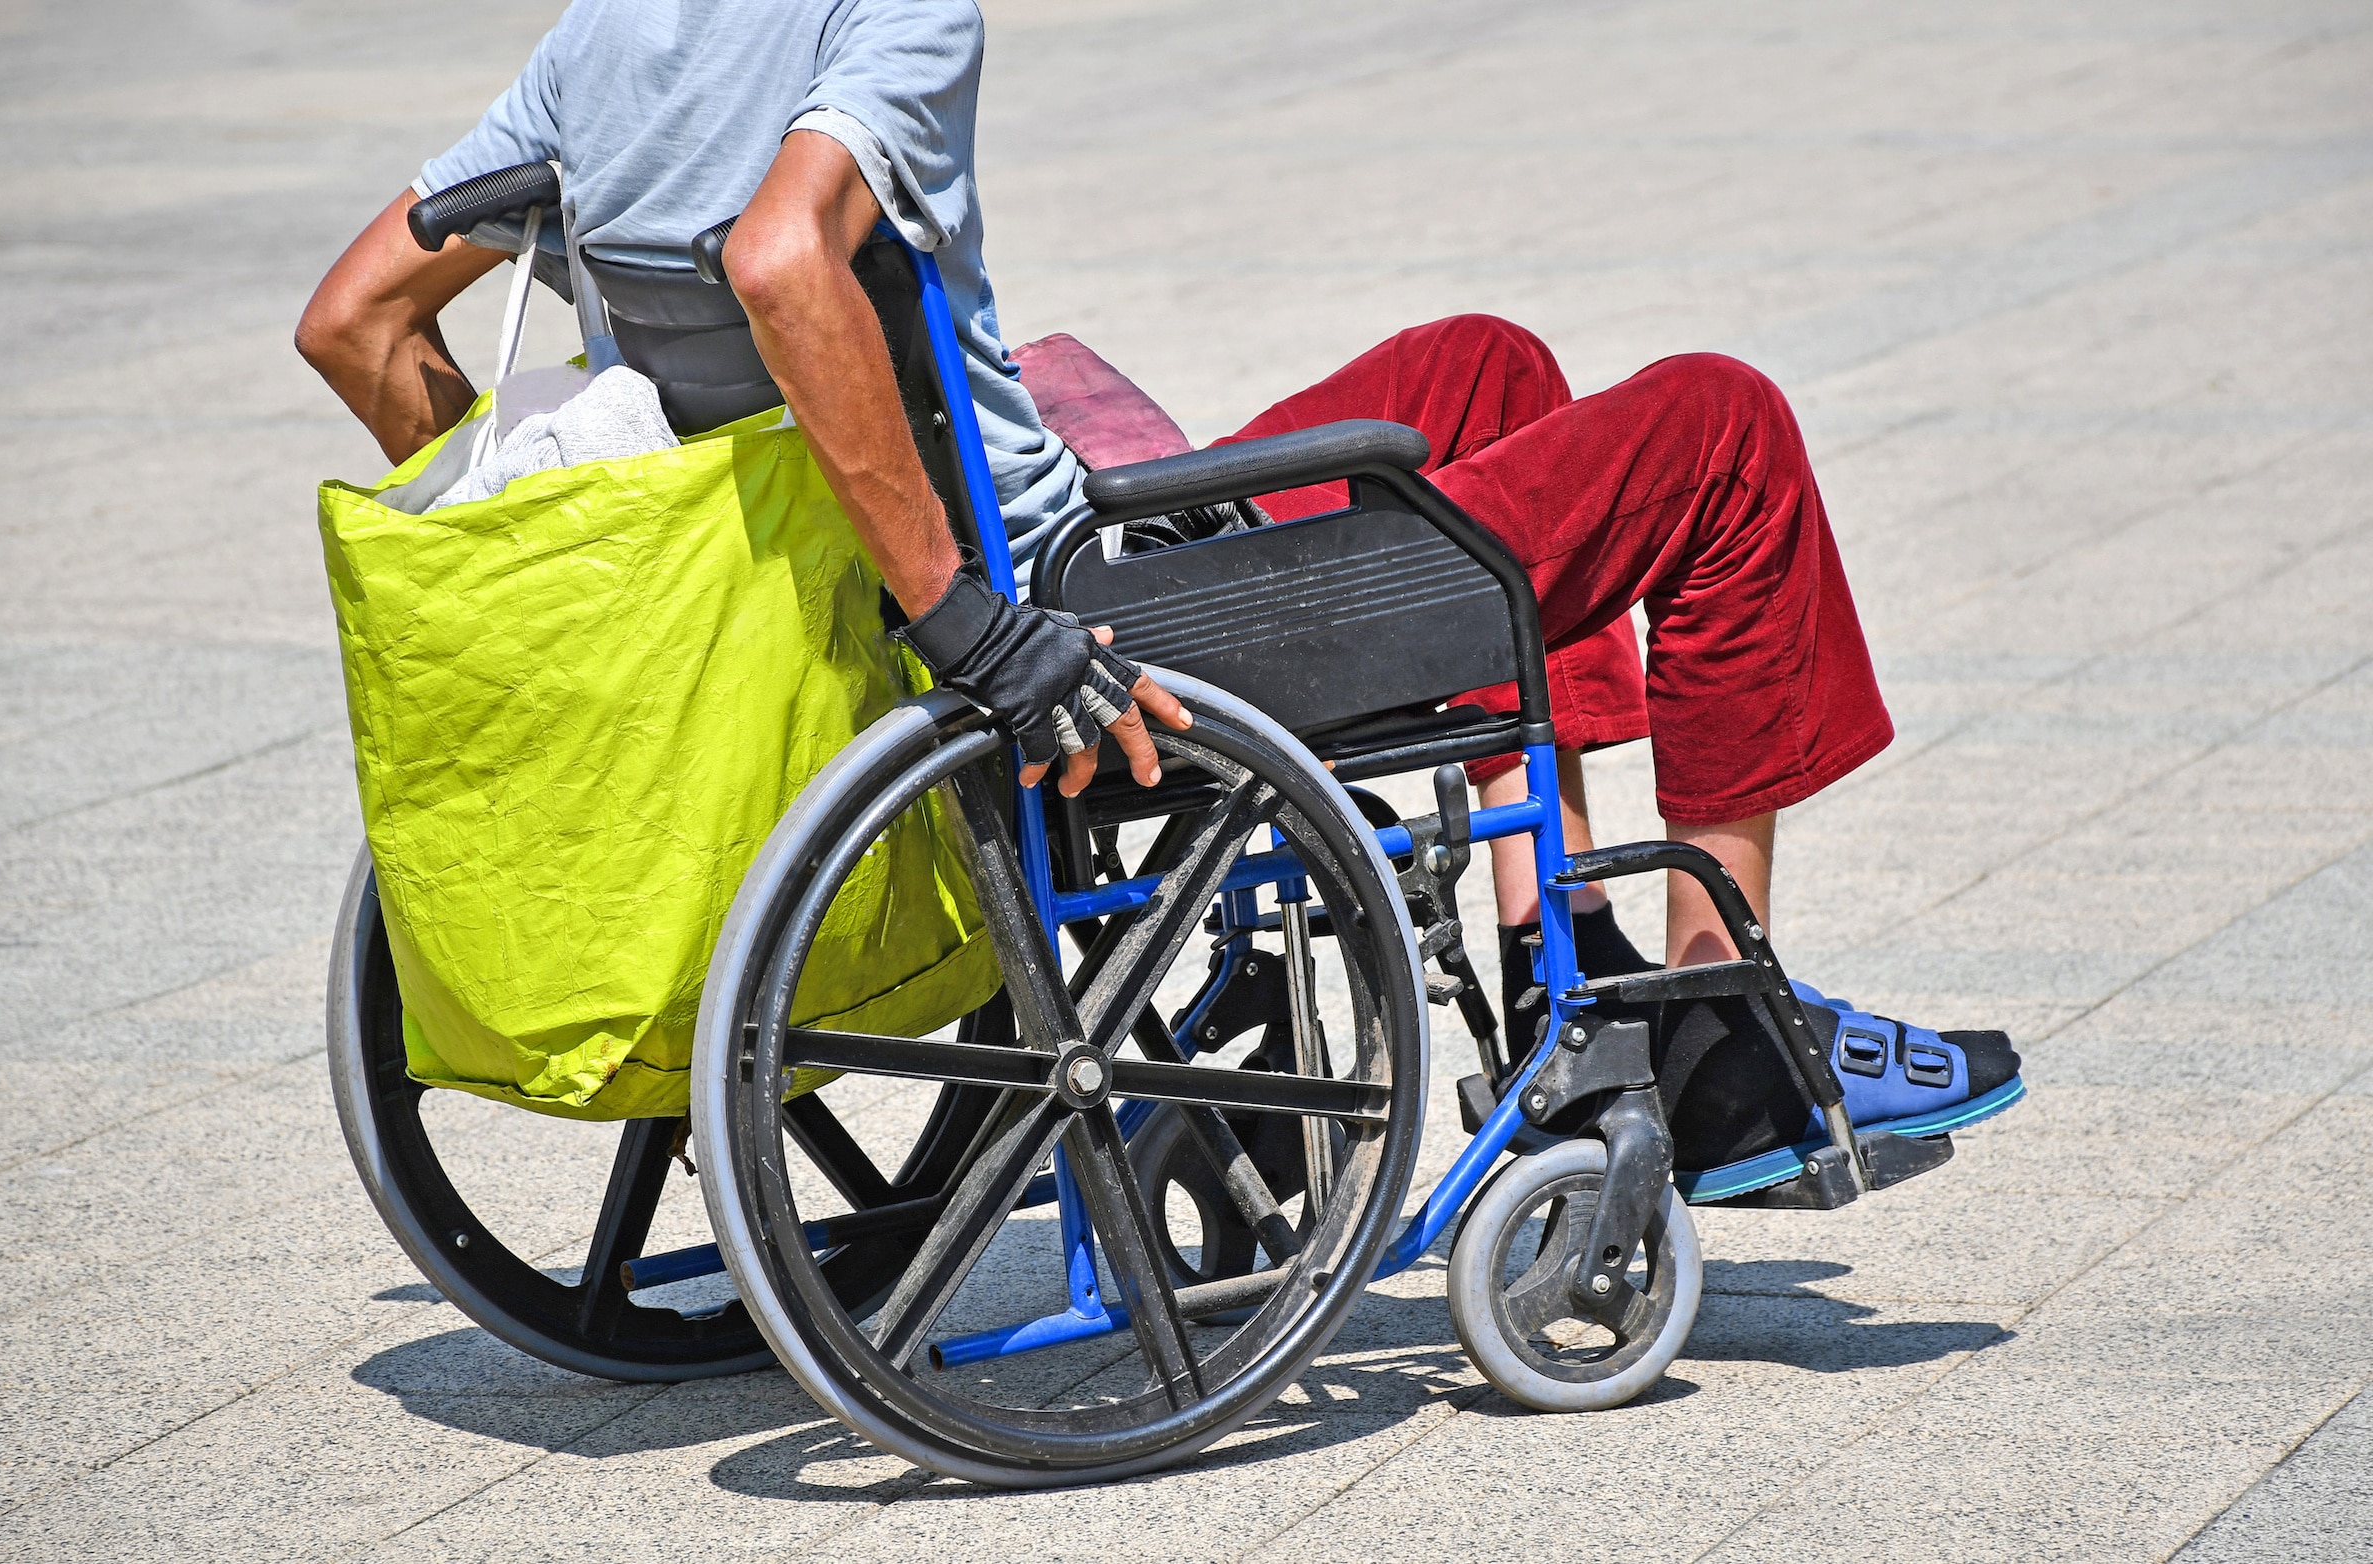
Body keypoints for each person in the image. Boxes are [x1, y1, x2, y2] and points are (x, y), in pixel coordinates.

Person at [297, 0, 2014, 1163]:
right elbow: (779, 258)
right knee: (1722, 428)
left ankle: (1553, 956)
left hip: (888, 602)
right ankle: (1724, 1038)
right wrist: (975, 629)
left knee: (1480, 367)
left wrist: (597, 551)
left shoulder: (591, 51)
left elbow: (353, 321)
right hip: (1084, 611)